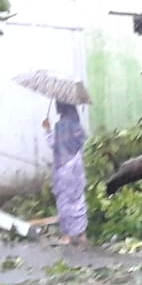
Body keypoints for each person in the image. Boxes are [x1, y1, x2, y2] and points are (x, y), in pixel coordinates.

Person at [42, 101, 88, 246]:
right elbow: (82, 141)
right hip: (77, 166)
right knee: (78, 199)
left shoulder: (60, 126)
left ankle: (67, 236)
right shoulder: (77, 126)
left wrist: (47, 130)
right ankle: (82, 234)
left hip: (63, 168)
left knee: (64, 201)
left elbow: (54, 145)